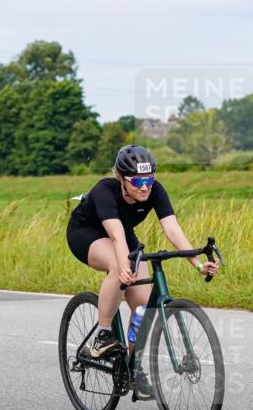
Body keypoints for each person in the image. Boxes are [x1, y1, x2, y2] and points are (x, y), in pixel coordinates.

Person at [66, 145, 220, 393]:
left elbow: (172, 230)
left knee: (141, 307)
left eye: (149, 179)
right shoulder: (105, 190)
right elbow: (116, 237)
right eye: (137, 180)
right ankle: (103, 335)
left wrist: (199, 264)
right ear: (121, 179)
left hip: (123, 235)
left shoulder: (155, 190)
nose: (144, 186)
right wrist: (124, 268)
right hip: (86, 232)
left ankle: (132, 368)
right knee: (119, 266)